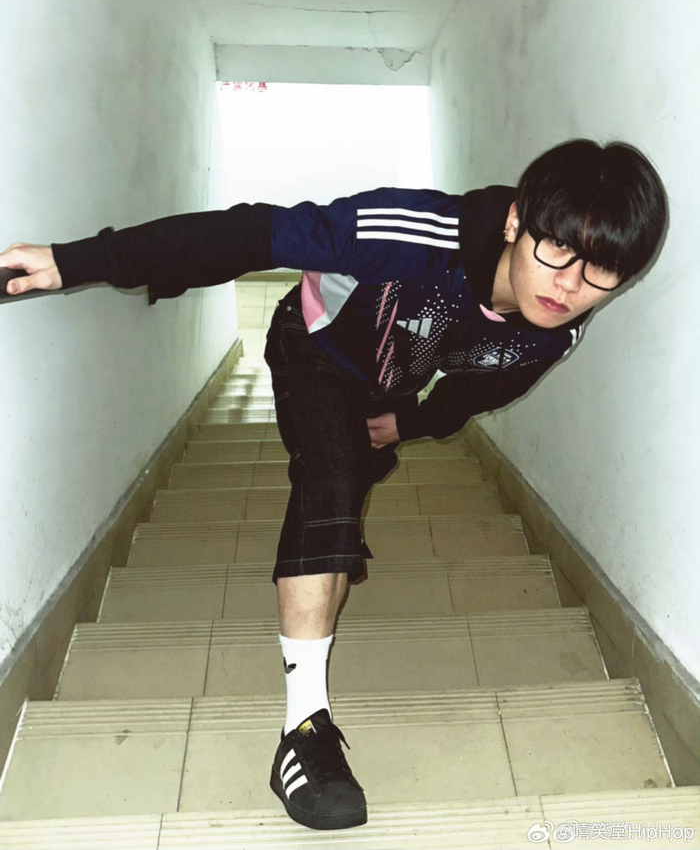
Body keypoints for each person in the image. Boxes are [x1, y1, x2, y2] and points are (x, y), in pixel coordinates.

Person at [0, 139, 668, 831]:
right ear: (515, 222)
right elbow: (247, 233)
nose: (569, 285)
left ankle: (325, 580)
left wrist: (410, 423)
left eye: (602, 269)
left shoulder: (558, 330)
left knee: (341, 506)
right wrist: (75, 262)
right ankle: (304, 731)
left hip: (388, 384)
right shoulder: (408, 234)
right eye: (557, 248)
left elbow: (486, 386)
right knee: (330, 482)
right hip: (313, 343)